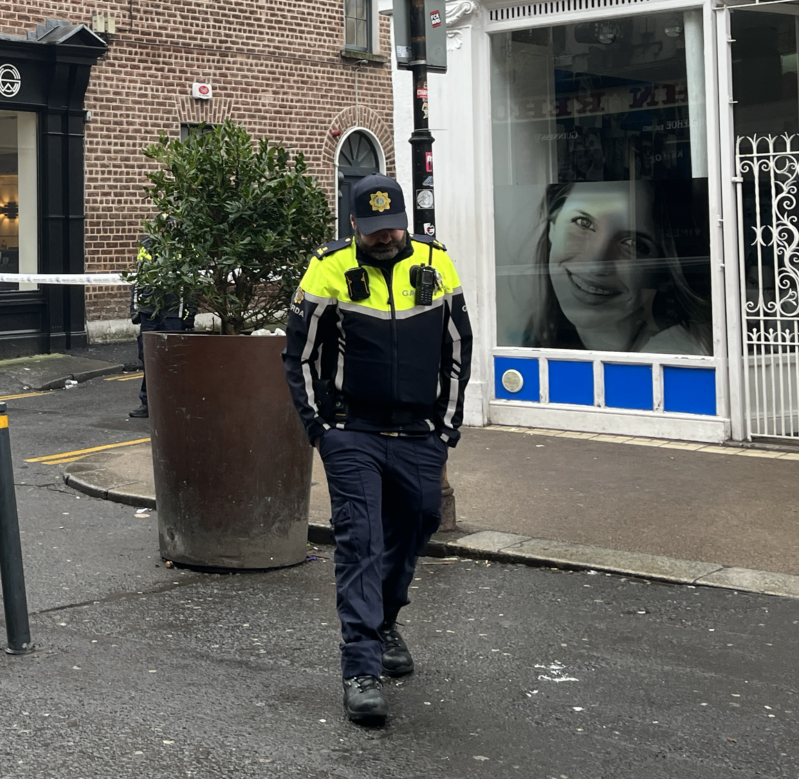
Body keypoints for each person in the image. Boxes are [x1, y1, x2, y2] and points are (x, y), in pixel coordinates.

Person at [284, 174, 472, 726]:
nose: (384, 237)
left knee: (419, 520)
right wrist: (321, 428)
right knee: (360, 539)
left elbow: (458, 346)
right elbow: (298, 356)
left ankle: (386, 619)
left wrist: (446, 429)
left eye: (392, 228)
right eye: (372, 230)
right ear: (353, 226)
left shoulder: (437, 264)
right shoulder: (329, 267)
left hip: (419, 432)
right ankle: (361, 667)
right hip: (352, 431)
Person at [518, 180, 707, 354]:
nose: (595, 263)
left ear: (666, 274)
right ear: (553, 226)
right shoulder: (544, 332)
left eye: (634, 244)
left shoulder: (674, 357)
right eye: (583, 223)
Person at [129, 228, 192, 421]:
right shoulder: (146, 246)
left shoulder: (184, 247)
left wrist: (189, 315)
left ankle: (174, 403)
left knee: (174, 359)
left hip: (173, 313)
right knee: (149, 359)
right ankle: (148, 402)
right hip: (149, 313)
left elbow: (191, 286)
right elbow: (138, 280)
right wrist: (135, 309)